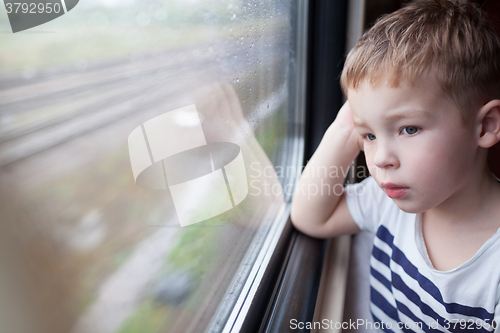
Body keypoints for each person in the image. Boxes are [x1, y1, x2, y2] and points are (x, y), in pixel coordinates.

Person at [291, 0, 500, 331]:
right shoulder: (387, 201)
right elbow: (310, 216)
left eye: (409, 129)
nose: (379, 158)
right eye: (370, 136)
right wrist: (346, 129)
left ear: (485, 126)